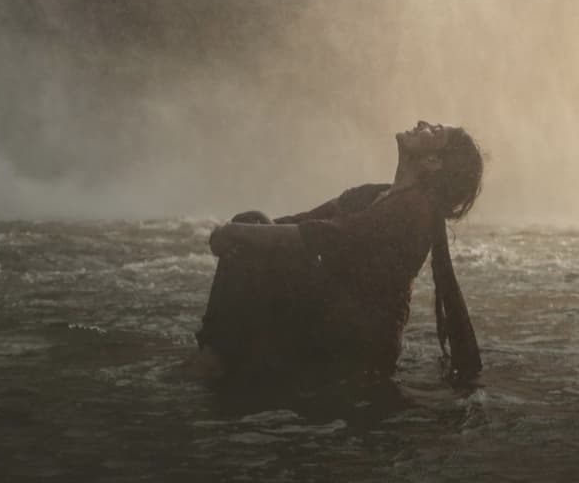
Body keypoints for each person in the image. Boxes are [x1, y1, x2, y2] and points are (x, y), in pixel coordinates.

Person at [195, 120, 484, 383]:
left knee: (247, 234)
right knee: (251, 222)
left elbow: (322, 236)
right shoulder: (377, 194)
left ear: (433, 161)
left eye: (434, 131)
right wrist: (246, 230)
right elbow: (306, 220)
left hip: (361, 335)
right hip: (338, 308)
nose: (423, 123)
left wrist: (234, 233)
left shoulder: (414, 208)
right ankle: (216, 352)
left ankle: (211, 359)